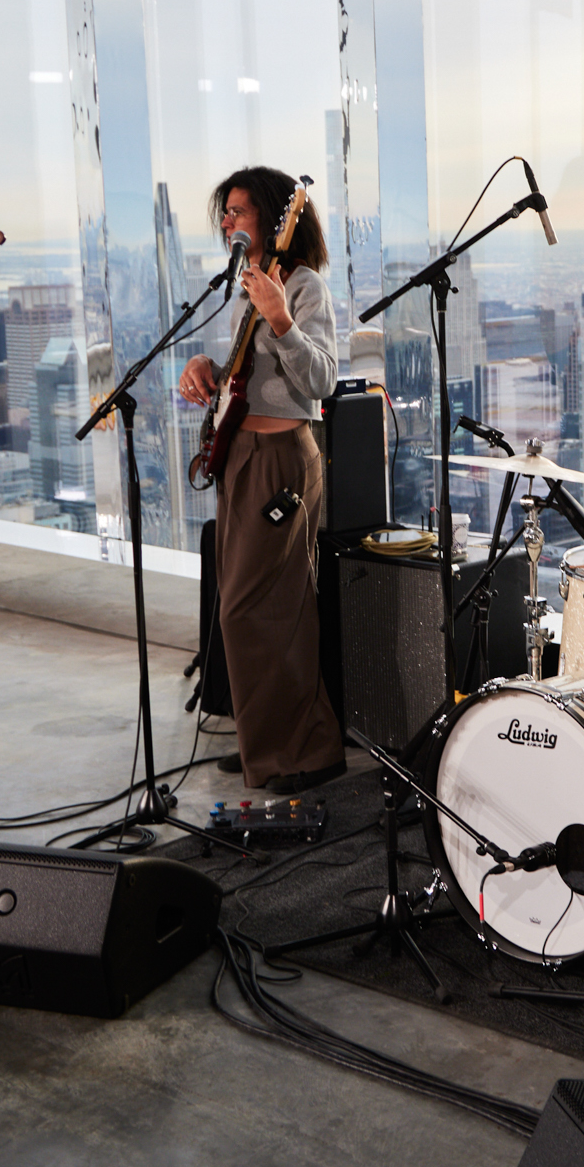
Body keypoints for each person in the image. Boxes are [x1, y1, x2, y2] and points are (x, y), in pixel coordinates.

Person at [179, 166, 345, 794]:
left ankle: (306, 750)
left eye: (238, 212)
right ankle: (265, 742)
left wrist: (281, 319)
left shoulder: (299, 286)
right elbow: (249, 379)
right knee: (244, 610)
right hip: (242, 456)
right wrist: (207, 368)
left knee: (268, 611)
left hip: (281, 463)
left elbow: (320, 381)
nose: (227, 223)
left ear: (276, 219)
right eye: (224, 213)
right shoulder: (247, 286)